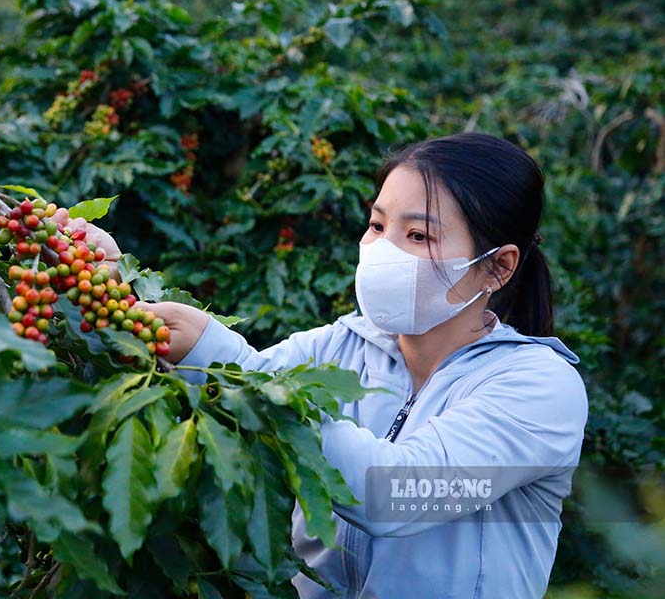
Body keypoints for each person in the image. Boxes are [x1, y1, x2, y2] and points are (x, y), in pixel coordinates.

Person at [65, 132, 589, 598]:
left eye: (418, 236)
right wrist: (110, 291)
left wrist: (226, 355)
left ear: (497, 267)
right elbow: (218, 409)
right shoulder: (337, 349)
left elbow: (394, 494)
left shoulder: (540, 388)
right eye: (377, 225)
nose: (383, 250)